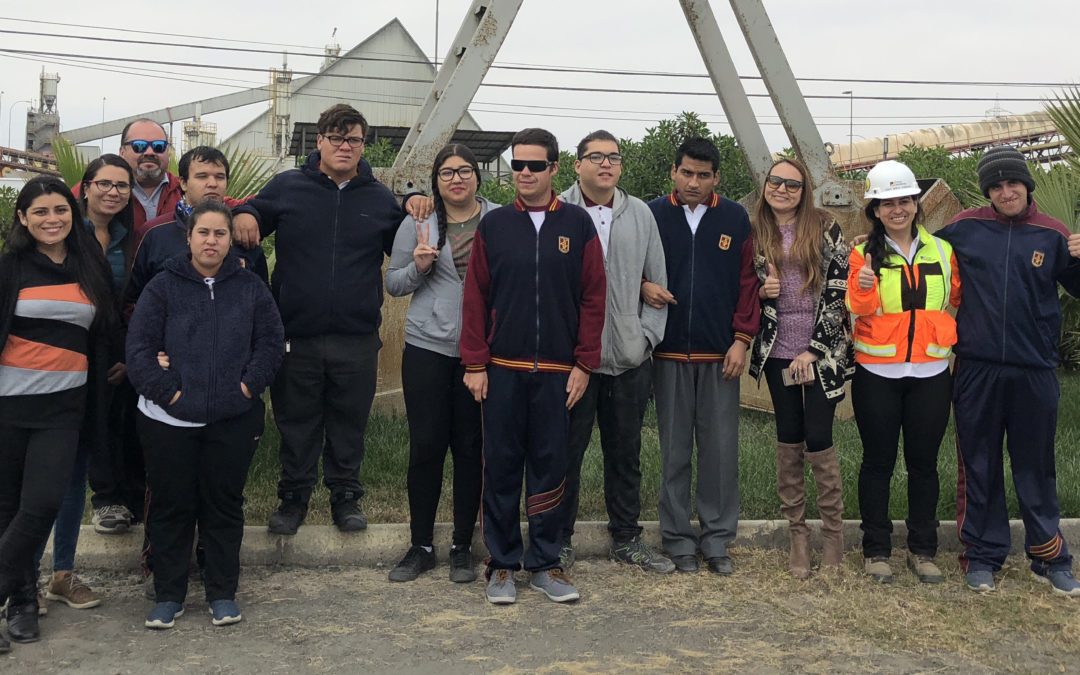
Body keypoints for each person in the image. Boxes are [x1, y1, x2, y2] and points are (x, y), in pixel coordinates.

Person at [233, 104, 430, 535]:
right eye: (336, 138)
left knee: (348, 422)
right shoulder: (287, 187)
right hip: (295, 335)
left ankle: (345, 497)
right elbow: (252, 214)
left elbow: (405, 237)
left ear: (363, 146)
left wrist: (412, 201)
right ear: (319, 141)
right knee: (296, 423)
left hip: (356, 336)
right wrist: (245, 215)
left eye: (354, 140)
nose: (345, 146)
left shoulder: (377, 198)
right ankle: (293, 499)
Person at [460, 127, 606, 604]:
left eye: (534, 165)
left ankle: (546, 562)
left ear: (554, 169)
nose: (524, 173)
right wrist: (475, 362)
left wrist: (584, 363)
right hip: (502, 369)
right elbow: (476, 298)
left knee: (550, 467)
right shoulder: (495, 225)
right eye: (517, 165)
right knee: (500, 466)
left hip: (559, 375)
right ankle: (501, 564)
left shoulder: (578, 226)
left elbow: (593, 299)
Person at [126, 200, 283, 629]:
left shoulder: (251, 288)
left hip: (232, 418)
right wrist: (169, 395)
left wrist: (247, 387)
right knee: (171, 507)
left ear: (231, 240)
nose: (211, 241)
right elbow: (139, 350)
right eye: (203, 233)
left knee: (223, 506)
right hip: (168, 420)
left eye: (219, 234)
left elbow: (271, 343)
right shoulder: (162, 286)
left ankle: (222, 593)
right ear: (189, 237)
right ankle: (169, 595)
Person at [937, 146, 1080, 595]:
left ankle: (1050, 556)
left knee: (1035, 465)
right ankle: (982, 554)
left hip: (1034, 369)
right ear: (987, 191)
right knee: (977, 463)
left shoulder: (1053, 234)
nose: (1005, 191)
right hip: (976, 368)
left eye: (1012, 182)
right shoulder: (964, 227)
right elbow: (914, 251)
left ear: (1027, 184)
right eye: (995, 186)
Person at [0, 177, 115, 650]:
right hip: (9, 407)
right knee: (7, 511)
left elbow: (106, 330)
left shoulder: (89, 266)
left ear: (73, 213)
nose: (52, 219)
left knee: (43, 502)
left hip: (65, 408)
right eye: (41, 211)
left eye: (60, 210)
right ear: (23, 219)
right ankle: (23, 600)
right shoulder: (10, 267)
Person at [557, 130, 672, 574]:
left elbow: (656, 283)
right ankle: (559, 539)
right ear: (577, 164)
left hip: (628, 358)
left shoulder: (640, 214)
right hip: (572, 362)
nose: (606, 164)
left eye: (613, 157)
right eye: (596, 157)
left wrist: (646, 339)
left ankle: (627, 539)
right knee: (565, 452)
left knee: (625, 454)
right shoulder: (559, 211)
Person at [643, 137, 760, 575]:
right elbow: (626, 265)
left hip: (720, 355)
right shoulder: (651, 214)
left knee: (720, 452)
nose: (694, 182)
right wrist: (641, 286)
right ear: (674, 172)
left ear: (716, 178)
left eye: (703, 175)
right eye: (687, 173)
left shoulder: (734, 218)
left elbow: (748, 283)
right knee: (673, 452)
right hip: (667, 353)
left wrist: (742, 339)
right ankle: (676, 540)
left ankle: (716, 541)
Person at [384, 144, 497, 583]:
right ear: (437, 180)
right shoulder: (418, 223)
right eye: (447, 172)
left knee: (471, 449)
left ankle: (462, 546)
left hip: (483, 353)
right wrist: (418, 267)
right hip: (428, 347)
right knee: (427, 447)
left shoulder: (500, 220)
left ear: (477, 176)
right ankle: (421, 545)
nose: (456, 179)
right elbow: (394, 284)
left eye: (464, 171)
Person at [28, 156, 135, 615]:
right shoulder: (64, 240)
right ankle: (24, 577)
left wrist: (123, 358)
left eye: (121, 185)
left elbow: (125, 304)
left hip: (104, 367)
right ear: (84, 188)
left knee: (75, 473)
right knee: (36, 481)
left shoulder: (131, 238)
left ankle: (62, 573)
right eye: (103, 183)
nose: (113, 192)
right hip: (51, 370)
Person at [847, 160, 959, 585]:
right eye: (887, 203)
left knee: (924, 465)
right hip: (878, 373)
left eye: (906, 200)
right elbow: (858, 309)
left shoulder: (942, 251)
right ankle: (876, 550)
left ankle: (923, 550)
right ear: (874, 210)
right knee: (877, 463)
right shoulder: (862, 253)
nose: (898, 209)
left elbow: (960, 299)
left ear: (917, 203)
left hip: (931, 372)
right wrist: (862, 284)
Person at [748, 157, 852, 580]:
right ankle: (797, 535)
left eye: (792, 184)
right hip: (776, 348)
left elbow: (837, 288)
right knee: (788, 435)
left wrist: (814, 349)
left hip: (822, 350)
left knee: (819, 435)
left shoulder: (825, 225)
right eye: (775, 182)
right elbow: (739, 286)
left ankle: (833, 536)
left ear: (803, 189)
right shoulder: (753, 230)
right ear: (766, 185)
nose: (783, 190)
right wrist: (760, 290)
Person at [73, 119, 181, 231]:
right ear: (122, 152)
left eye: (158, 146)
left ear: (168, 152)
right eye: (139, 146)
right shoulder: (92, 189)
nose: (150, 152)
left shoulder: (184, 191)